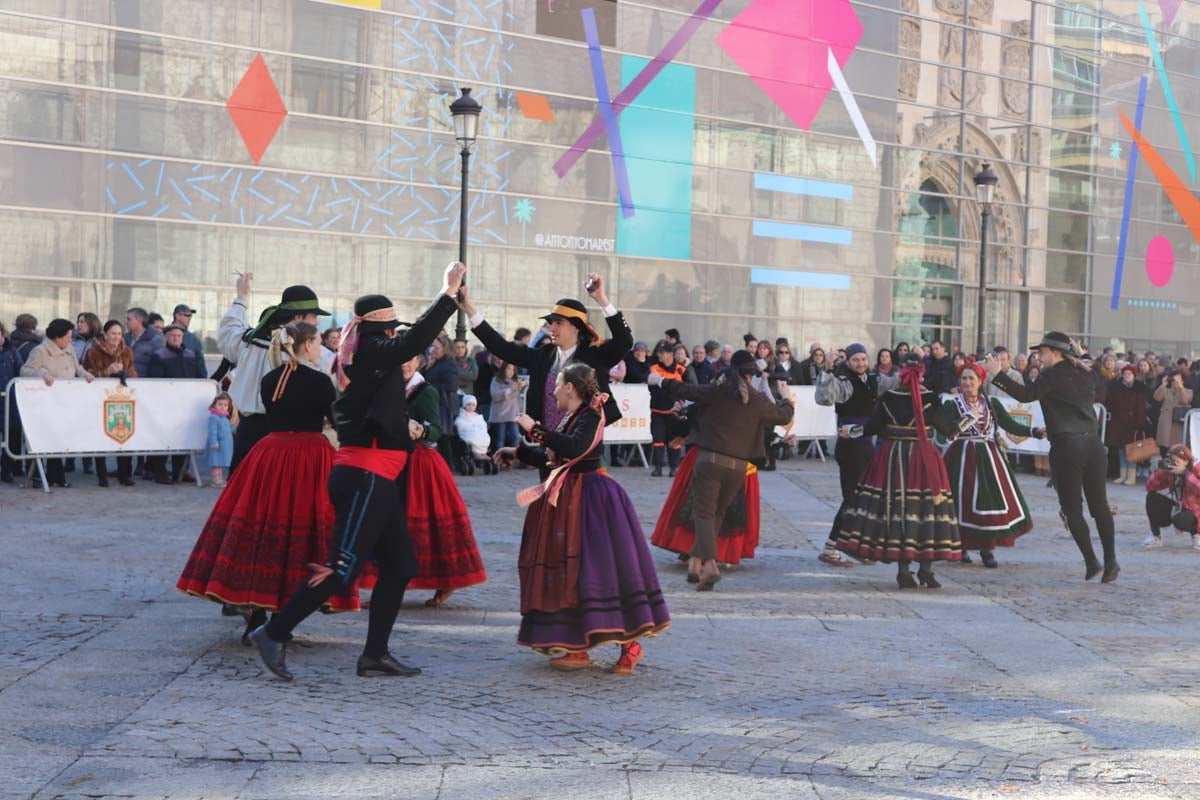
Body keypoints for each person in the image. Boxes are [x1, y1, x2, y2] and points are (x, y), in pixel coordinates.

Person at [247, 265, 464, 681]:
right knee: (342, 567)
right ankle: (273, 632)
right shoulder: (368, 349)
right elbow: (416, 339)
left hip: (377, 476)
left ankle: (374, 654)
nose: (396, 337)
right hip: (365, 476)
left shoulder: (370, 354)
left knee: (400, 565)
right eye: (391, 330)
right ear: (380, 330)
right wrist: (447, 292)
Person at [178, 321, 360, 644]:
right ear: (306, 345)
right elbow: (337, 422)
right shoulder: (320, 382)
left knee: (260, 532)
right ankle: (279, 618)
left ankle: (256, 616)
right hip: (308, 458)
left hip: (270, 455)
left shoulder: (269, 379)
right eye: (318, 341)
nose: (321, 347)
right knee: (299, 536)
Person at [493, 363, 670, 673]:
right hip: (568, 499)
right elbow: (558, 458)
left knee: (597, 571)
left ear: (571, 388)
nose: (553, 391)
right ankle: (577, 647)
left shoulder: (590, 415)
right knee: (568, 573)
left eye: (558, 386)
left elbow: (575, 448)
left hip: (591, 502)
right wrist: (518, 452)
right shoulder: (570, 416)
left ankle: (630, 644)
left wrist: (534, 429)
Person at [648, 351, 794, 590]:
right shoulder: (757, 399)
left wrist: (660, 380)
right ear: (751, 374)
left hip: (710, 460)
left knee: (703, 515)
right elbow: (783, 415)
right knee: (717, 515)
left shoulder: (718, 392)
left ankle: (710, 565)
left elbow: (685, 390)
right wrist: (786, 398)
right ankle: (695, 565)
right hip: (738, 467)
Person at [987, 332, 1119, 583]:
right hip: (1093, 445)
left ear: (1057, 353)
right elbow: (1097, 380)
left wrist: (998, 373)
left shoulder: (1051, 375)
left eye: (1043, 352)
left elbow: (1025, 395)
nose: (1039, 357)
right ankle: (1111, 560)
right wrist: (1080, 356)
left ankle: (1092, 561)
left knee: (1072, 509)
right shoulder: (1084, 372)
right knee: (1099, 506)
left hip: (1068, 447)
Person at [836, 353, 962, 588]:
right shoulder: (931, 398)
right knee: (926, 510)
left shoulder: (889, 397)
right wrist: (964, 422)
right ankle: (926, 570)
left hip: (892, 457)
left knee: (897, 509)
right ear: (922, 373)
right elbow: (949, 429)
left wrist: (851, 431)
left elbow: (872, 427)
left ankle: (904, 571)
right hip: (923, 458)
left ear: (900, 373)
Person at [374, 354, 488, 607]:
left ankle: (444, 580)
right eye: (403, 358)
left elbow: (437, 429)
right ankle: (384, 585)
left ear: (419, 362)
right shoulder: (387, 386)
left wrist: (421, 429)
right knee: (385, 525)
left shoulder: (425, 391)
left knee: (426, 526)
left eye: (411, 359)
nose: (405, 363)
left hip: (420, 464)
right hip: (391, 462)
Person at [457, 273, 632, 434]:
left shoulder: (595, 355)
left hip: (582, 447)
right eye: (550, 322)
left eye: (558, 323)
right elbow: (502, 348)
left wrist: (601, 299)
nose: (551, 327)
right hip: (545, 441)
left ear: (576, 327)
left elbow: (624, 341)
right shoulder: (543, 355)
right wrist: (470, 309)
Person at [218, 275, 330, 473]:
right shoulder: (308, 350)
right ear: (297, 318)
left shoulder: (249, 340)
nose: (316, 322)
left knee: (247, 496)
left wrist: (241, 298)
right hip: (285, 443)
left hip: (248, 434)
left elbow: (229, 330)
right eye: (313, 316)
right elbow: (337, 372)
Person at [942, 361, 1044, 568]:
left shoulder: (991, 404)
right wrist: (966, 420)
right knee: (960, 501)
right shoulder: (952, 404)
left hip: (988, 457)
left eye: (972, 378)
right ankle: (961, 545)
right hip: (961, 456)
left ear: (981, 381)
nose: (967, 382)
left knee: (987, 501)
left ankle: (986, 547)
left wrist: (1034, 432)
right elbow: (947, 431)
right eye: (964, 378)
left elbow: (1009, 424)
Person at [814, 343, 900, 567]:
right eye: (855, 360)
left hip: (866, 446)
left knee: (866, 498)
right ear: (848, 362)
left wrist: (913, 364)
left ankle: (858, 547)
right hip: (850, 447)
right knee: (852, 499)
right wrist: (828, 370)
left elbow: (896, 382)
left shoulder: (873, 380)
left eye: (863, 359)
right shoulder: (844, 383)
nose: (860, 363)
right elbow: (824, 397)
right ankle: (830, 549)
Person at [19, 319, 95, 488]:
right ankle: (38, 476)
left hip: (65, 402)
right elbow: (26, 370)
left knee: (58, 438)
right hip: (45, 403)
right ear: (57, 336)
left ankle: (56, 476)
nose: (70, 339)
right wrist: (43, 373)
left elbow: (77, 367)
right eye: (67, 336)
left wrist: (85, 374)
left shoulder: (69, 349)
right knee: (42, 437)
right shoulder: (40, 351)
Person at [82, 320, 138, 487]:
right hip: (101, 400)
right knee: (101, 435)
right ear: (105, 334)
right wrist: (108, 371)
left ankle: (124, 474)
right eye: (113, 333)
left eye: (119, 334)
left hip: (122, 399)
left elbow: (134, 372)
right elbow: (88, 374)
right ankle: (102, 475)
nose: (116, 337)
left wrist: (125, 373)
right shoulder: (93, 352)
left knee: (125, 434)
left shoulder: (127, 351)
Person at [1144, 444, 1200, 550]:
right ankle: (1155, 536)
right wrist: (1159, 471)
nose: (1173, 464)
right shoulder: (1170, 471)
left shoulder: (1197, 468)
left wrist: (1185, 473)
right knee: (1152, 498)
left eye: (1176, 461)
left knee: (1182, 520)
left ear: (1186, 461)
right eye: (1171, 460)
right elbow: (1149, 487)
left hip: (1195, 510)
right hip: (1180, 506)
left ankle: (1196, 535)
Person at [1106, 365, 1149, 486]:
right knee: (1120, 450)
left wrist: (1140, 423)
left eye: (1129, 374)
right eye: (1125, 374)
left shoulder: (1139, 388)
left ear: (1134, 376)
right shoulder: (1117, 387)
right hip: (1119, 423)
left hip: (1133, 424)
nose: (1127, 376)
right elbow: (1111, 403)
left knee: (1132, 450)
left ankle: (1131, 476)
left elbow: (1141, 407)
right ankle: (1122, 475)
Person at [648, 341, 686, 477]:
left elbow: (686, 388)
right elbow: (651, 386)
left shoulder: (681, 369)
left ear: (671, 354)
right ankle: (658, 467)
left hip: (675, 411)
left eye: (662, 352)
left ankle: (674, 468)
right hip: (657, 410)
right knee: (658, 440)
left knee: (674, 441)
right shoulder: (653, 368)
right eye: (659, 352)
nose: (660, 355)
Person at [0, 321, 25, 483]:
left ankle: (8, 469)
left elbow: (21, 370)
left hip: (10, 402)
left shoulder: (11, 351)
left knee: (12, 435)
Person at [489, 361, 525, 453]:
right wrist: (510, 389)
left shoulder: (515, 381)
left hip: (513, 415)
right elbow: (495, 395)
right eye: (509, 368)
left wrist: (523, 387)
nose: (511, 371)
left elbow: (518, 399)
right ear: (504, 369)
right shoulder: (496, 380)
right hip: (500, 415)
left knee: (515, 438)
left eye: (513, 369)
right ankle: (499, 461)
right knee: (500, 440)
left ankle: (513, 460)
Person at [1153, 370, 1193, 450]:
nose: (1175, 382)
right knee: (1164, 448)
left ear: (1182, 380)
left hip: (1178, 423)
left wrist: (1181, 387)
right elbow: (1157, 398)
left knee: (1177, 448)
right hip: (1165, 422)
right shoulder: (1165, 390)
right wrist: (1163, 385)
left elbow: (1185, 401)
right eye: (1173, 380)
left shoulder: (1189, 392)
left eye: (1177, 380)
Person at [454, 394, 493, 474]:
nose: (471, 407)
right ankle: (476, 451)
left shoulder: (478, 417)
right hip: (469, 435)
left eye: (473, 405)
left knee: (483, 436)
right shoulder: (461, 417)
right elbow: (461, 426)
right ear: (464, 405)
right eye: (468, 404)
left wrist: (477, 429)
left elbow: (483, 426)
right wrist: (472, 429)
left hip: (480, 435)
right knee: (474, 436)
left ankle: (482, 451)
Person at [206, 392, 236, 488]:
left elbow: (227, 429)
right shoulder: (213, 418)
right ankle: (216, 480)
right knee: (216, 463)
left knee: (220, 462)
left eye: (225, 405)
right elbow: (212, 432)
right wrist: (214, 442)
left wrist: (234, 427)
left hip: (224, 445)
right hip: (217, 445)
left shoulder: (225, 418)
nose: (223, 407)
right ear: (215, 405)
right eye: (220, 404)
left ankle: (219, 479)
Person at [125, 308, 164, 378]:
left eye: (129, 319)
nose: (126, 322)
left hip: (146, 384)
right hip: (125, 383)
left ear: (139, 320)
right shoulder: (125, 338)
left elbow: (160, 366)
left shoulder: (155, 339)